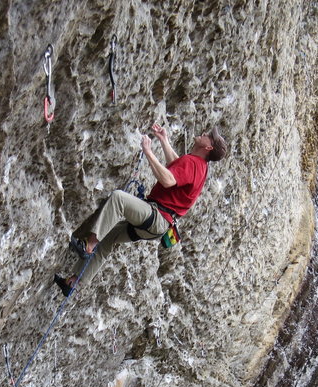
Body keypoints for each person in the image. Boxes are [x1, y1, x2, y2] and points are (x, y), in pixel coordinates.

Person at [54, 123, 228, 296]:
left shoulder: (193, 163)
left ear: (208, 146)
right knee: (108, 238)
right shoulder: (199, 166)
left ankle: (88, 246)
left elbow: (168, 179)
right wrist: (164, 140)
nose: (204, 132)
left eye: (208, 135)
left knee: (119, 199)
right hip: (158, 226)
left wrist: (148, 152)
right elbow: (177, 166)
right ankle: (75, 282)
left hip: (157, 216)